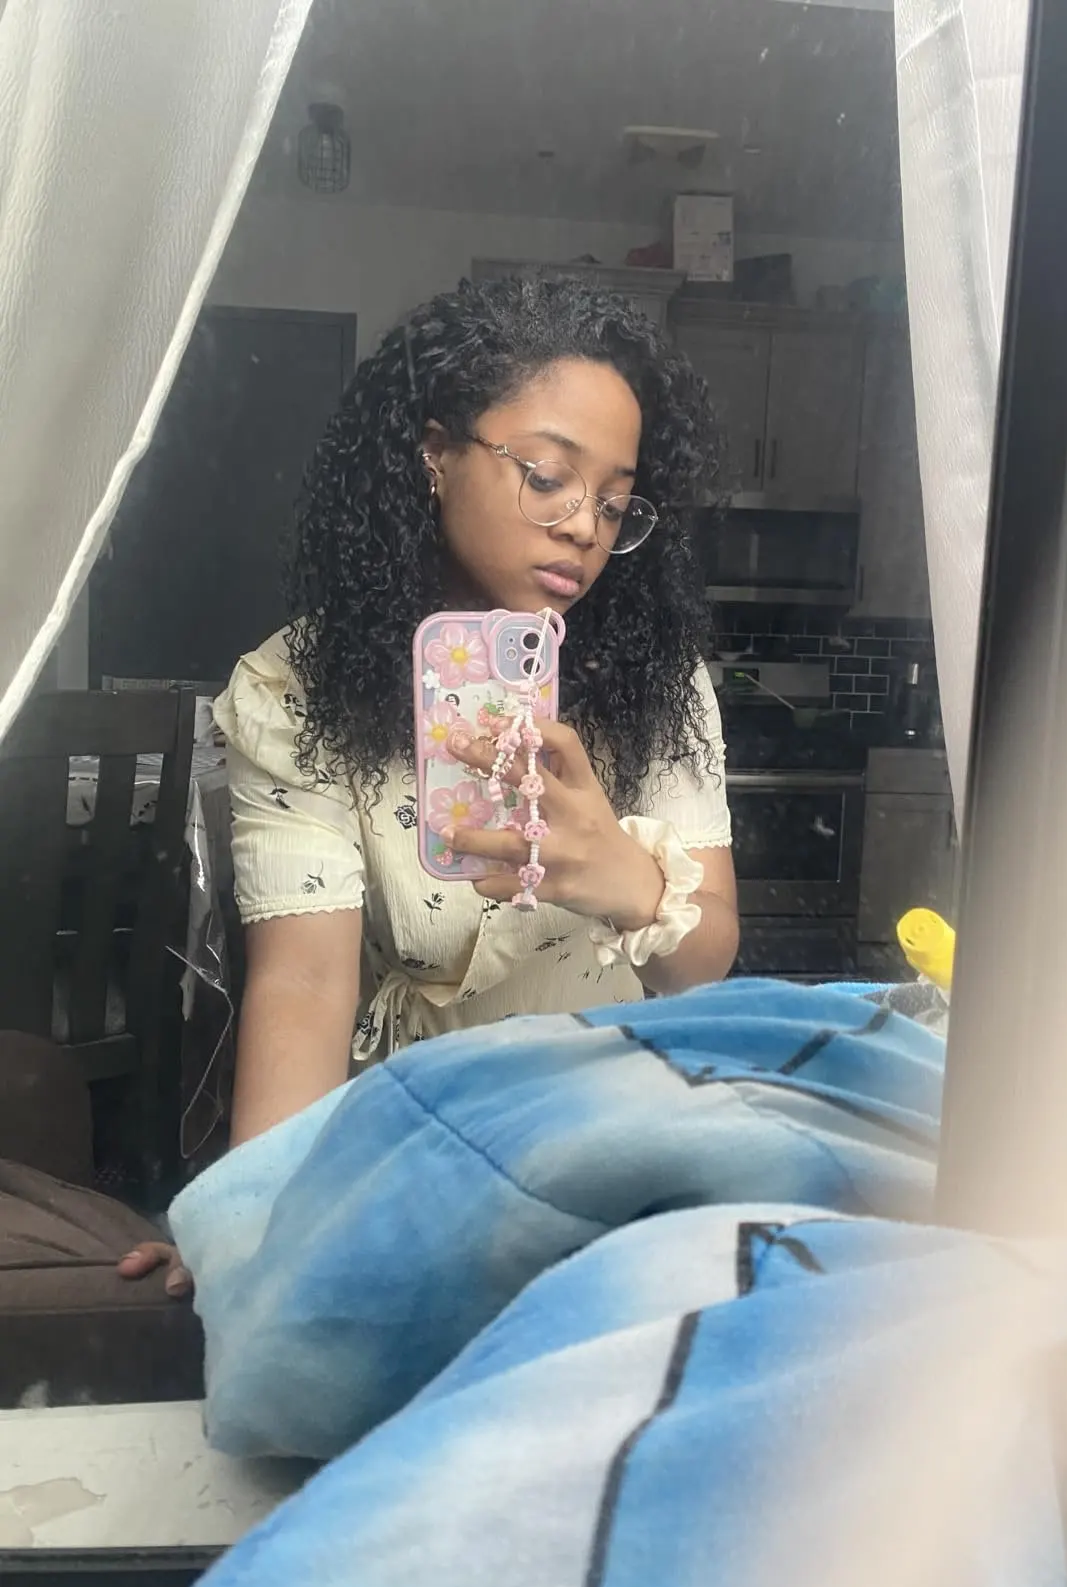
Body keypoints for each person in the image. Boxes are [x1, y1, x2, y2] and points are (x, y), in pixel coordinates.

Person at [123, 275, 738, 1291]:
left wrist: (626, 880)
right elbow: (304, 985)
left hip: (614, 1163)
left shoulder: (659, 685)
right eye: (549, 476)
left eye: (615, 504)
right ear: (435, 453)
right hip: (404, 1159)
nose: (584, 526)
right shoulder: (294, 692)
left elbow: (705, 963)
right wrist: (249, 1223)